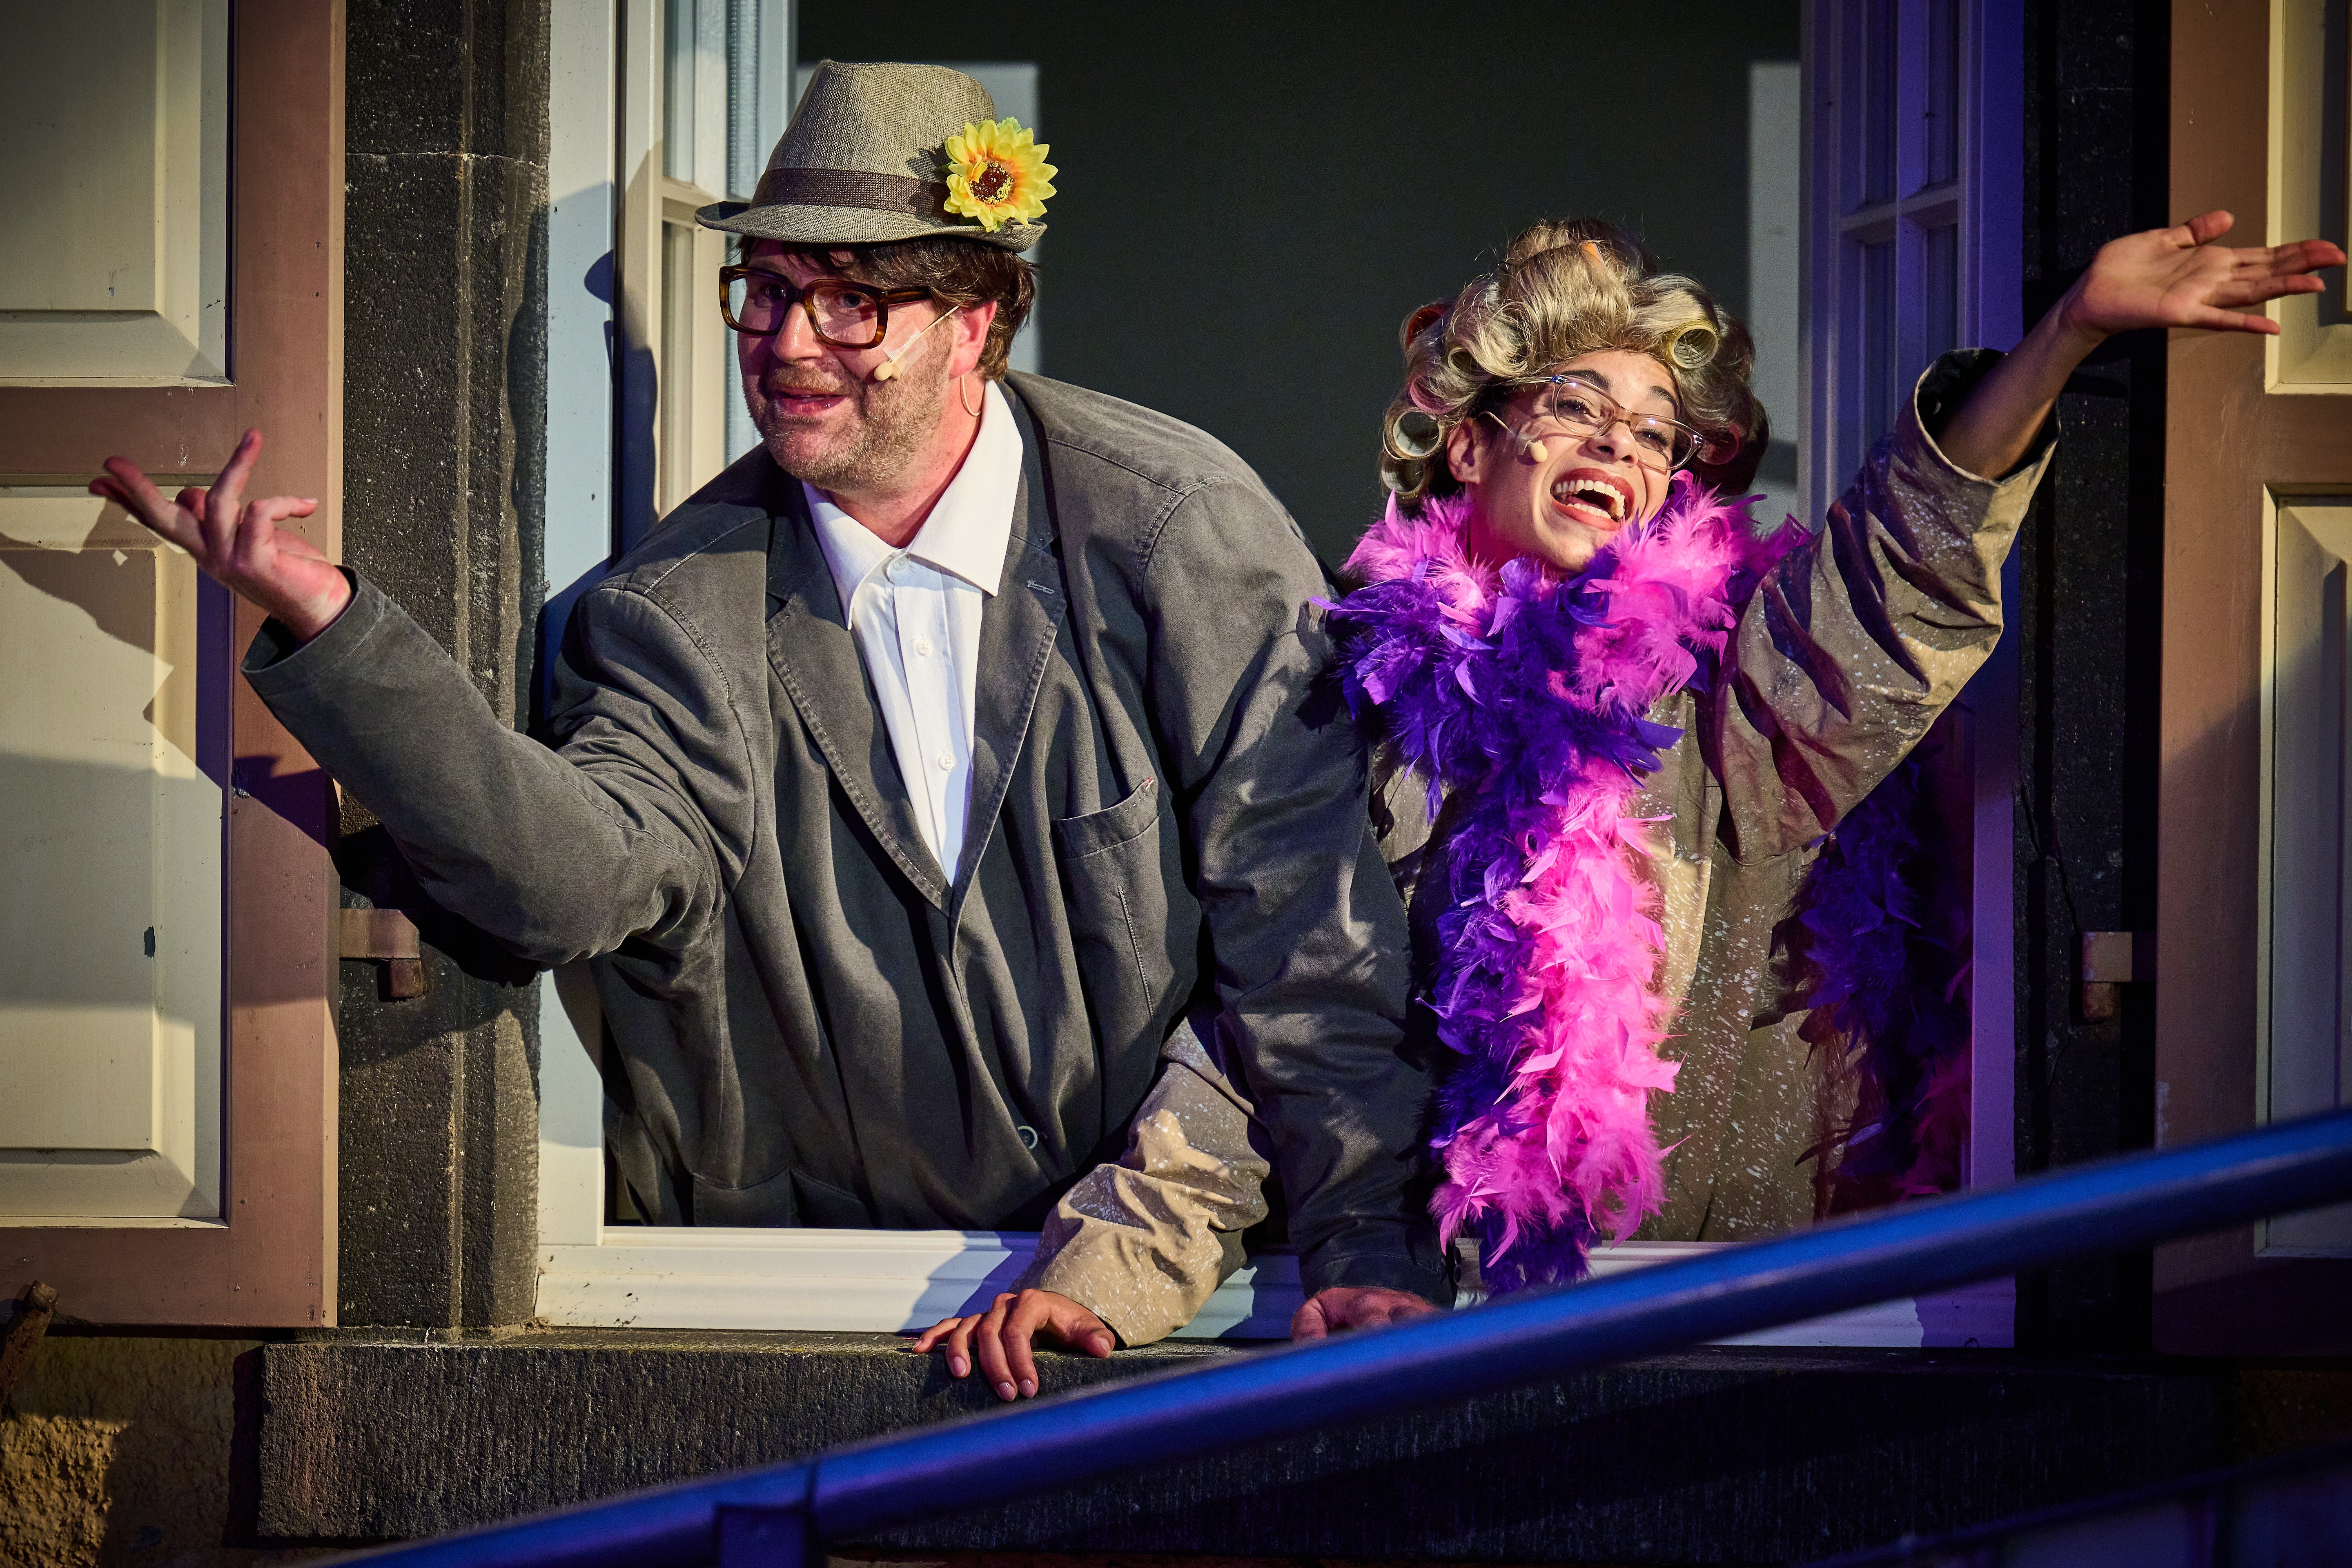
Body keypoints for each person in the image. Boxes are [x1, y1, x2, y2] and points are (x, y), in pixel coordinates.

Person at [88, 61, 1446, 1395]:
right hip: (849, 1321)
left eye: (855, 302)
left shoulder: (1177, 530)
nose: (792, 345)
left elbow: (1307, 927)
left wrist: (1362, 1239)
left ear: (976, 319)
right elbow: (570, 883)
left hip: (1194, 1301)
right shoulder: (676, 610)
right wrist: (337, 631)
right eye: (773, 292)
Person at [1320, 212, 2340, 1289]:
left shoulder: (1734, 688)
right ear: (1472, 444)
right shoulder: (1362, 696)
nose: (1621, 443)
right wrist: (1132, 1255)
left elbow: (1895, 573)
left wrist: (2066, 336)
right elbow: (1288, 1010)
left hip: (1721, 1315)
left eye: (1657, 431)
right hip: (1430, 1308)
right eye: (1577, 407)